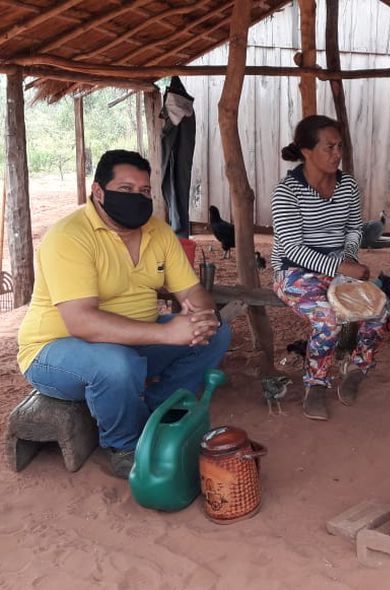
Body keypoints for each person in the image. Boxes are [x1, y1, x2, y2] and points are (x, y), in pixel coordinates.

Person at [17, 150, 231, 479]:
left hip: (134, 340)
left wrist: (201, 316)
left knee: (217, 333)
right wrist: (167, 333)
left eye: (145, 191)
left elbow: (191, 291)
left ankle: (157, 411)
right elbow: (81, 322)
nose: (138, 198)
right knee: (118, 365)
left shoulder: (158, 233)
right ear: (98, 192)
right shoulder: (69, 236)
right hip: (55, 349)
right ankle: (125, 446)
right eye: (126, 189)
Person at [271, 115, 383, 421]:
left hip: (338, 266)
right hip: (293, 271)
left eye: (339, 146)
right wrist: (340, 266)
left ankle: (357, 368)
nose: (337, 153)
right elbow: (292, 249)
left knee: (378, 309)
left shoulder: (347, 185)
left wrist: (347, 262)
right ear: (306, 152)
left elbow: (353, 230)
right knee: (328, 319)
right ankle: (316, 384)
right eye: (329, 147)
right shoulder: (287, 192)